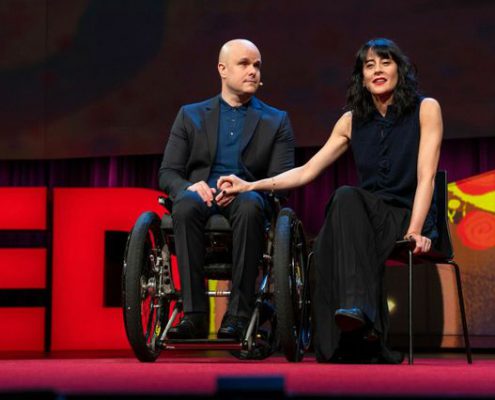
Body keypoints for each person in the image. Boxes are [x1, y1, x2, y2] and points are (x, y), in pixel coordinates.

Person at [218, 38, 443, 363]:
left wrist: (415, 230)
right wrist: (250, 186)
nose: (378, 69)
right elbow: (307, 171)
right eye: (369, 65)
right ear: (361, 77)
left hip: (406, 217)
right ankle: (349, 339)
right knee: (324, 245)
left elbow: (427, 177)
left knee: (346, 198)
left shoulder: (426, 108)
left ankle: (358, 311)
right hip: (362, 221)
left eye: (385, 62)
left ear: (400, 69)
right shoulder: (351, 121)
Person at [158, 39, 295, 340]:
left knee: (249, 206)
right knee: (184, 204)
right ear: (222, 69)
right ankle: (194, 315)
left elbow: (281, 181)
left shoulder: (276, 120)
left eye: (257, 65)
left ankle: (238, 315)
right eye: (244, 64)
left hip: (249, 196)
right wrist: (188, 186)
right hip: (201, 194)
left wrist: (248, 188)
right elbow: (168, 173)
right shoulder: (190, 115)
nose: (253, 71)